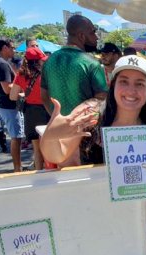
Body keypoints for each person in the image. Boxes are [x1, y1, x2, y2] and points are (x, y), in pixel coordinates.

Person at [40, 55, 146, 205]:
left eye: (139, 84)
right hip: (88, 207)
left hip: (132, 216)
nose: (131, 91)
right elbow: (57, 156)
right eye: (124, 81)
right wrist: (50, 136)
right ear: (112, 84)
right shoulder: (90, 114)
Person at [41, 14, 107, 165]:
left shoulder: (49, 61)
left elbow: (44, 98)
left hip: (59, 137)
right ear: (81, 36)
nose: (96, 37)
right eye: (92, 32)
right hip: (87, 139)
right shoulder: (91, 63)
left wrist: (61, 121)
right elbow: (102, 98)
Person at [10, 47, 48, 171]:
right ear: (37, 61)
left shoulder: (21, 75)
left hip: (31, 113)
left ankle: (39, 172)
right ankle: (50, 171)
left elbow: (12, 96)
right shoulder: (45, 75)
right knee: (49, 145)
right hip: (46, 110)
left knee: (36, 148)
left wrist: (25, 95)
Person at [0, 37, 24, 172]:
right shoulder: (2, 64)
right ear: (4, 48)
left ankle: (18, 167)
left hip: (6, 104)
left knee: (16, 136)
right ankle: (18, 169)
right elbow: (7, 88)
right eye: (12, 47)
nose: (14, 50)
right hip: (8, 105)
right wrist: (22, 89)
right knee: (16, 137)